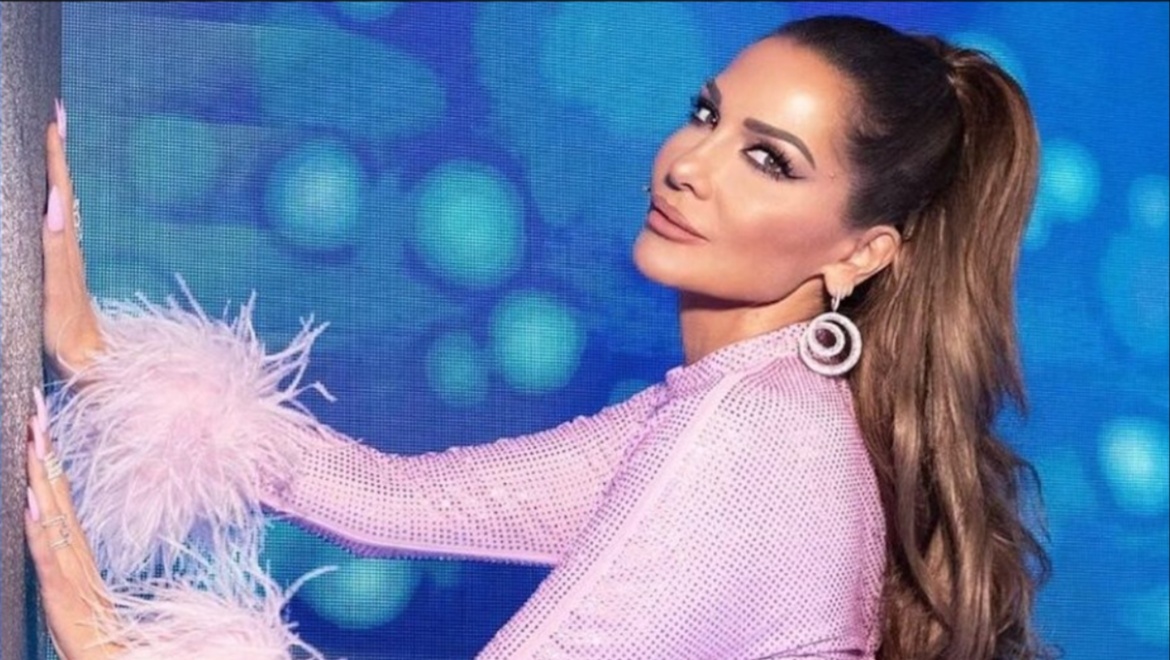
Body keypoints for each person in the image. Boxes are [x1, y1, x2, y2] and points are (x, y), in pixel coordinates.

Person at [27, 14, 1052, 660]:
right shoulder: (743, 412)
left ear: (862, 253)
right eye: (707, 115)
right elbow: (393, 503)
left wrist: (114, 650)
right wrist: (93, 352)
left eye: (769, 160)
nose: (689, 164)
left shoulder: (759, 439)